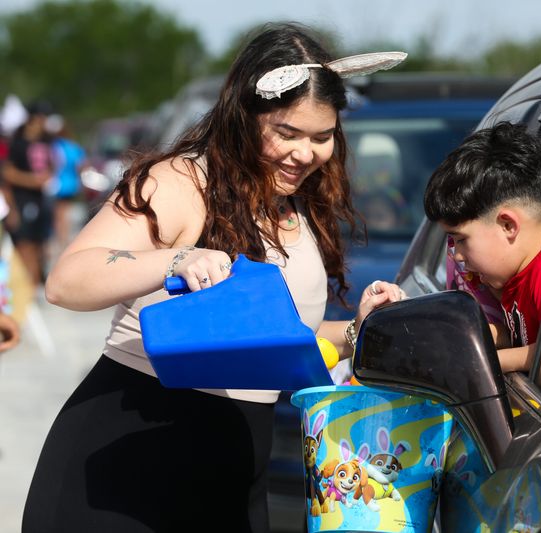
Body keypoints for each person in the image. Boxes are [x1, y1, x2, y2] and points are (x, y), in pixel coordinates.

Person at [23, 23, 406, 532]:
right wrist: (175, 260)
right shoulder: (181, 182)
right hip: (127, 459)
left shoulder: (296, 204)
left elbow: (267, 340)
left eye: (321, 137)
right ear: (243, 118)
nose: (304, 154)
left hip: (236, 464)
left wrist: (360, 327)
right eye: (286, 134)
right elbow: (66, 281)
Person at [423, 121, 541, 377]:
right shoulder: (516, 280)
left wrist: (524, 357)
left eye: (460, 239)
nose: (456, 256)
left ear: (508, 225)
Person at [2, 100, 54, 289]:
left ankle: (33, 284)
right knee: (24, 244)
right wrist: (32, 180)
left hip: (41, 199)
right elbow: (8, 173)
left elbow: (50, 166)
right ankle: (27, 287)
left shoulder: (46, 141)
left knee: (39, 243)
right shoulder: (18, 143)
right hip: (22, 198)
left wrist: (48, 176)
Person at [45, 114, 88, 256]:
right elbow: (81, 165)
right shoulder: (73, 146)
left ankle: (61, 240)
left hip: (58, 184)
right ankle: (64, 239)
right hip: (71, 183)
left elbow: (51, 165)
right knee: (64, 211)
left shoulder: (54, 146)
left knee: (58, 213)